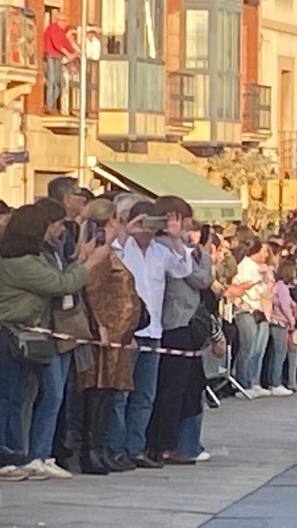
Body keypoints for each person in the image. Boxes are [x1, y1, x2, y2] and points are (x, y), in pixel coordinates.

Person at [0, 204, 103, 480]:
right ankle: (8, 454)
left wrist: (79, 258)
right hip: (11, 333)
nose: (59, 231)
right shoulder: (20, 262)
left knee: (22, 395)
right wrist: (90, 264)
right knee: (10, 398)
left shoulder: (36, 256)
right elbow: (60, 284)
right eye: (56, 225)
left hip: (31, 333)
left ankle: (24, 454)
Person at [107, 200, 191, 470]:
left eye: (152, 223)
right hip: (125, 331)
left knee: (145, 395)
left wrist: (176, 238)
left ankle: (136, 448)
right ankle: (116, 448)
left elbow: (183, 269)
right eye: (143, 223)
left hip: (153, 330)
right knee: (121, 394)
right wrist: (126, 231)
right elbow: (108, 256)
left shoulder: (160, 252)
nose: (147, 230)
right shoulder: (123, 248)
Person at [75, 199, 143, 475]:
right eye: (115, 221)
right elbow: (93, 291)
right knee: (98, 394)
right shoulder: (101, 255)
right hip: (106, 332)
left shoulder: (112, 252)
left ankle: (100, 448)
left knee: (109, 394)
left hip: (119, 332)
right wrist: (99, 324)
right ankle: (91, 450)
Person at [146, 195, 213, 464]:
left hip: (181, 323)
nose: (189, 228)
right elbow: (200, 279)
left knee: (184, 387)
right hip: (176, 322)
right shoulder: (166, 246)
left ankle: (176, 442)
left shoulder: (180, 247)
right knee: (172, 389)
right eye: (186, 221)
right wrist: (205, 258)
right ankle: (166, 444)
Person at [231, 240, 271, 397]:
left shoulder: (257, 269)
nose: (266, 255)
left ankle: (253, 381)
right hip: (245, 309)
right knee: (247, 348)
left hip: (257, 309)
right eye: (264, 251)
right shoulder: (244, 267)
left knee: (256, 348)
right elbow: (240, 286)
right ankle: (243, 383)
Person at [268, 259, 297, 397]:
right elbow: (285, 307)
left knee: (276, 353)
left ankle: (273, 381)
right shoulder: (283, 288)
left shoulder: (277, 286)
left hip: (275, 321)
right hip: (281, 322)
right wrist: (292, 321)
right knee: (280, 353)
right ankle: (276, 383)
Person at [42, 11, 79, 113]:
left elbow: (66, 43)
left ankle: (52, 104)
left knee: (59, 82)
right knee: (52, 81)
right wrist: (68, 54)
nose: (65, 23)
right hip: (50, 57)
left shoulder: (61, 31)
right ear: (59, 20)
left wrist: (75, 51)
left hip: (57, 57)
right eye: (64, 21)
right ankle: (50, 105)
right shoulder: (52, 29)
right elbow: (58, 44)